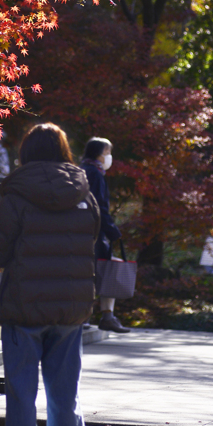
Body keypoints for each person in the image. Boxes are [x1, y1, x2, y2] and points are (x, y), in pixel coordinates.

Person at [0, 122, 100, 426]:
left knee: (21, 395)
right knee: (64, 395)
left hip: (24, 306)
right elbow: (92, 241)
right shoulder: (84, 192)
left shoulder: (16, 194)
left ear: (26, 152)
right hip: (70, 308)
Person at [81, 137, 130, 334]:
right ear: (98, 154)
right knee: (103, 270)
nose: (109, 157)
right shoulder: (95, 174)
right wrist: (113, 231)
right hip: (94, 233)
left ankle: (91, 316)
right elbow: (99, 207)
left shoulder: (81, 170)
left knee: (92, 271)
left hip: (81, 231)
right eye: (107, 152)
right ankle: (104, 316)